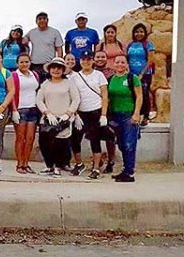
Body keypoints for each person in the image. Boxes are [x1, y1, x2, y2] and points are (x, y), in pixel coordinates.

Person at [36, 57, 80, 177]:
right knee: (45, 143)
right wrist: (47, 113)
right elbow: (39, 100)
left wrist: (68, 113)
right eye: (53, 68)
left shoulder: (68, 84)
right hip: (48, 119)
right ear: (49, 70)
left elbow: (76, 99)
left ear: (63, 70)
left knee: (60, 143)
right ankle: (50, 166)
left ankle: (59, 166)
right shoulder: (45, 84)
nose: (56, 70)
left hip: (63, 119)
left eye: (59, 68)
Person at [68, 51, 109, 180]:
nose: (86, 62)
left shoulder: (99, 75)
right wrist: (75, 113)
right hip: (80, 113)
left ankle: (96, 167)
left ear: (92, 61)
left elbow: (104, 95)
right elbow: (72, 96)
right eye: (83, 59)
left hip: (95, 111)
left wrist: (103, 114)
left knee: (95, 140)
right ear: (80, 61)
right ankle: (79, 164)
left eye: (89, 59)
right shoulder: (75, 77)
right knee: (75, 139)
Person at [108, 55, 143, 182]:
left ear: (127, 64)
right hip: (115, 115)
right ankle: (125, 169)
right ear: (113, 64)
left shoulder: (132, 78)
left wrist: (136, 113)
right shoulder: (111, 79)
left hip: (129, 115)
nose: (120, 64)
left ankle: (129, 172)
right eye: (117, 62)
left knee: (129, 144)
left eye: (123, 62)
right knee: (122, 144)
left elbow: (139, 96)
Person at [11, 53, 40, 174]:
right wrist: (13, 110)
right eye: (21, 62)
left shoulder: (35, 75)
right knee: (20, 138)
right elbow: (11, 93)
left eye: (26, 62)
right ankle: (19, 164)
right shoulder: (14, 75)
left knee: (30, 138)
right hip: (20, 109)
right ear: (17, 63)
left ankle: (26, 163)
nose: (24, 64)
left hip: (33, 109)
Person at [127, 23, 155, 122]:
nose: (139, 34)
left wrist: (142, 73)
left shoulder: (148, 44)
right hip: (132, 73)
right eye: (137, 32)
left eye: (141, 31)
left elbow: (150, 60)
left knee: (144, 93)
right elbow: (127, 58)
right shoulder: (130, 44)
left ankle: (145, 116)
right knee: (133, 94)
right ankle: (135, 114)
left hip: (144, 73)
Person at [26, 12, 63, 80]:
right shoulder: (31, 32)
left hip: (49, 65)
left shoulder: (55, 32)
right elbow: (23, 41)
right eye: (40, 19)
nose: (42, 20)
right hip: (34, 65)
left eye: (44, 18)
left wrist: (58, 63)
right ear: (36, 21)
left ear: (47, 20)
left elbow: (59, 49)